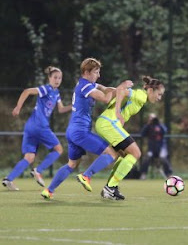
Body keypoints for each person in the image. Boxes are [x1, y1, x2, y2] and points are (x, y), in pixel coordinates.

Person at [41, 57, 133, 199]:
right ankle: (86, 176)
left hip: (72, 131)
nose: (98, 75)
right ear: (86, 72)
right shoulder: (85, 86)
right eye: (96, 72)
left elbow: (107, 89)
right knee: (111, 154)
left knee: (72, 164)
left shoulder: (87, 84)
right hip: (80, 132)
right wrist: (122, 86)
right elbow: (106, 98)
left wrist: (121, 91)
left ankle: (49, 190)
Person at [79, 75, 165, 200]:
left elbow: (118, 91)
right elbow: (121, 91)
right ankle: (110, 187)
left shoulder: (140, 96)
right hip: (109, 123)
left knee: (122, 155)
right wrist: (118, 111)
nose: (159, 98)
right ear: (151, 90)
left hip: (105, 123)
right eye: (159, 94)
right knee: (136, 153)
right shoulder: (141, 95)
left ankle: (100, 183)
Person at [2, 66, 72, 190]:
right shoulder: (46, 89)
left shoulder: (56, 93)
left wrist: (74, 106)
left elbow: (61, 109)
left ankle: (9, 179)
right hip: (40, 126)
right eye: (55, 77)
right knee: (59, 149)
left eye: (60, 78)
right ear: (49, 78)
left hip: (30, 127)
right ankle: (38, 170)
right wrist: (18, 107)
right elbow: (27, 91)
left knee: (29, 157)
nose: (57, 80)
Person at [139, 113, 172, 180]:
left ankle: (169, 174)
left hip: (161, 148)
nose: (153, 120)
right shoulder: (148, 126)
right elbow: (142, 134)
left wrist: (159, 123)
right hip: (151, 149)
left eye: (153, 118)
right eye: (151, 118)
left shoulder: (160, 126)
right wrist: (148, 124)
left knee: (163, 157)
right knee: (147, 157)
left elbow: (165, 131)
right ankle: (143, 174)